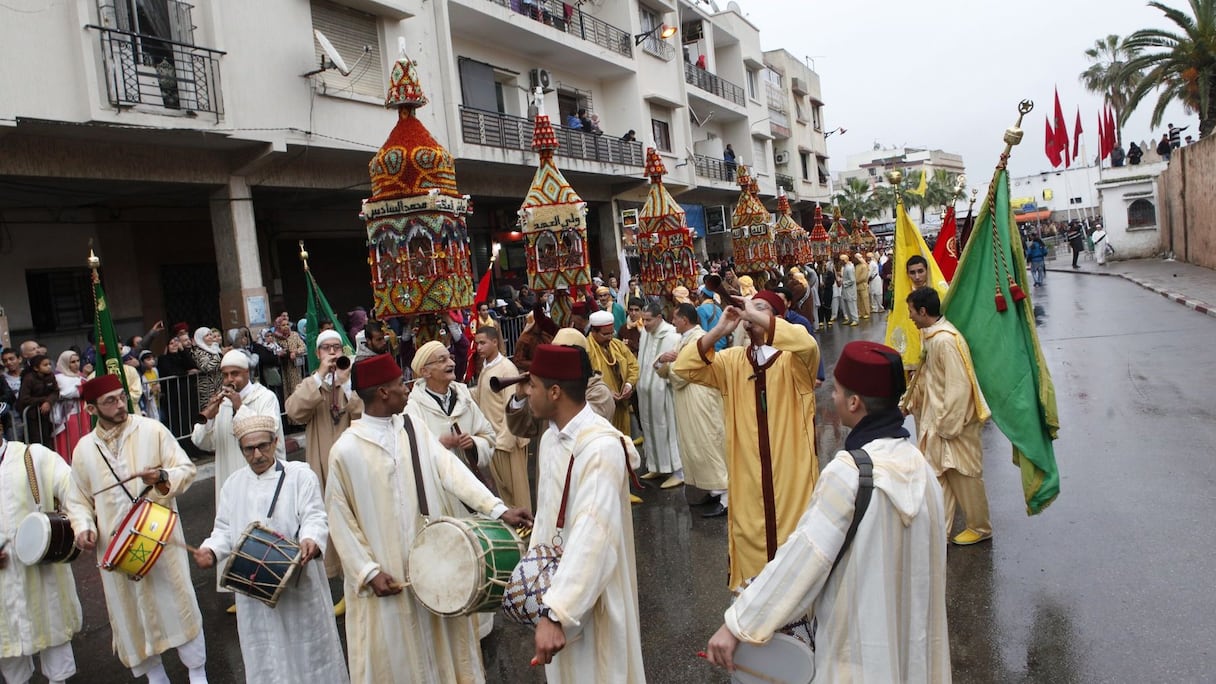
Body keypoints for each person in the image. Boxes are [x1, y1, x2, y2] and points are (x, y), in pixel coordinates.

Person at [705, 340, 950, 682]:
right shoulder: (921, 467)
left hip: (858, 654)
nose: (832, 399)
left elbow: (804, 561)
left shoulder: (847, 473)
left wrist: (739, 623)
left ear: (854, 402)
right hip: (911, 649)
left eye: (836, 391)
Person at [325, 353, 532, 684]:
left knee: (442, 654)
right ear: (381, 392)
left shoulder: (411, 427)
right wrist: (368, 572)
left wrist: (498, 509)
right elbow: (340, 520)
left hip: (434, 568)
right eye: (397, 384)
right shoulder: (346, 451)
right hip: (386, 579)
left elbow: (451, 472)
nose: (406, 389)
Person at [65, 374, 207, 684]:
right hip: (115, 551)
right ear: (91, 410)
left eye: (121, 397)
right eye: (110, 401)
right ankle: (156, 679)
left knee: (178, 606)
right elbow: (77, 500)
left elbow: (186, 469)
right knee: (131, 619)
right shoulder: (83, 449)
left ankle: (198, 675)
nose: (120, 405)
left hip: (160, 540)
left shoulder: (151, 429)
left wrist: (161, 476)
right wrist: (83, 526)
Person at [674, 292, 821, 590]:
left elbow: (807, 343)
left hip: (792, 480)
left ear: (776, 318)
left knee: (796, 563)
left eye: (760, 308)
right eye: (747, 309)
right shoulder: (731, 362)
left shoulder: (796, 363)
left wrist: (753, 313)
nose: (749, 313)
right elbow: (683, 367)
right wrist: (720, 330)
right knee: (754, 574)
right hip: (748, 482)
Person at [193, 415, 348, 684]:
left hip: (300, 586)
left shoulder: (300, 476)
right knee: (266, 658)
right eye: (248, 449)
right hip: (255, 593)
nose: (256, 455)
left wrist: (311, 539)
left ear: (276, 441)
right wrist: (210, 551)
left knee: (310, 655)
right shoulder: (233, 485)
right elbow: (223, 531)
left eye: (263, 446)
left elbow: (314, 515)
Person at [523, 344, 645, 682]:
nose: (527, 392)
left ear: (555, 392)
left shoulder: (601, 448)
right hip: (560, 593)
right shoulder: (551, 439)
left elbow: (594, 536)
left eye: (532, 385)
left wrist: (557, 612)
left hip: (594, 597)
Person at [901, 287, 993, 545]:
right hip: (938, 421)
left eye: (911, 312)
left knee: (964, 477)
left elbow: (958, 386)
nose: (909, 317)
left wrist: (947, 426)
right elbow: (926, 378)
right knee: (938, 478)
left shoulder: (945, 340)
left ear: (922, 311)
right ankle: (938, 533)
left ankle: (980, 527)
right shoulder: (930, 337)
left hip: (954, 424)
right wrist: (909, 402)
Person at [0, 432, 83, 684]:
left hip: (44, 579)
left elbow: (74, 490)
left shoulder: (32, 457)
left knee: (57, 656)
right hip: (3, 592)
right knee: (11, 663)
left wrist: (84, 524)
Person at [284, 329, 363, 592]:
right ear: (317, 353)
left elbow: (362, 413)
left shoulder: (351, 381)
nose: (332, 352)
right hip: (321, 462)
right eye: (326, 348)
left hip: (351, 464)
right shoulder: (310, 383)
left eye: (337, 347)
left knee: (356, 518)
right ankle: (340, 581)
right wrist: (321, 376)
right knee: (329, 520)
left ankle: (358, 578)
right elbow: (294, 411)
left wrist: (345, 382)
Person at [192, 350, 286, 531]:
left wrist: (239, 407)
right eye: (225, 374)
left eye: (234, 373)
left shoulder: (265, 398)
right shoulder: (222, 403)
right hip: (231, 481)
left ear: (246, 373)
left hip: (263, 480)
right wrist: (209, 419)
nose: (229, 379)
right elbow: (202, 442)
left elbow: (268, 430)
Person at [659, 303, 729, 517]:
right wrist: (663, 362)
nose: (672, 322)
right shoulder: (684, 339)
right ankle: (712, 490)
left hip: (701, 399)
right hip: (689, 400)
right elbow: (671, 371)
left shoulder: (698, 338)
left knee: (709, 444)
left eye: (675, 318)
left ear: (685, 320)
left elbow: (681, 375)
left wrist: (665, 364)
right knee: (696, 445)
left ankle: (727, 497)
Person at [405, 340, 497, 495]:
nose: (452, 363)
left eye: (450, 357)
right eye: (442, 360)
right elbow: (408, 454)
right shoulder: (413, 409)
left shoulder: (465, 399)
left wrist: (473, 444)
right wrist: (438, 445)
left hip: (473, 488)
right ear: (425, 371)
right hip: (440, 493)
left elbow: (488, 436)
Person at [471, 327, 531, 510]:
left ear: (495, 342)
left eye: (483, 343)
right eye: (477, 343)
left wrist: (505, 441)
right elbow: (483, 395)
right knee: (503, 493)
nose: (478, 348)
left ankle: (526, 530)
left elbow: (513, 405)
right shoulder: (486, 367)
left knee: (517, 493)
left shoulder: (506, 369)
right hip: (494, 440)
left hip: (507, 441)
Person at [635, 302, 683, 488]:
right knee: (650, 429)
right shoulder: (645, 333)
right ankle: (658, 466)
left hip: (665, 392)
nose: (645, 324)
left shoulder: (672, 336)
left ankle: (679, 472)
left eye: (648, 320)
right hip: (647, 393)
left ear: (659, 318)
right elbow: (642, 359)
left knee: (669, 429)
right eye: (643, 319)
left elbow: (675, 365)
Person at [585, 310, 639, 437]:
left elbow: (633, 365)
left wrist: (629, 385)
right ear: (593, 331)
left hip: (621, 408)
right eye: (605, 334)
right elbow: (583, 380)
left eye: (611, 333)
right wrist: (606, 393)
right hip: (600, 410)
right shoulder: (585, 350)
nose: (610, 337)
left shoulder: (617, 345)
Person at [52, 350, 88, 460]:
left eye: (78, 361)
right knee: (71, 442)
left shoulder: (80, 376)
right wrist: (82, 388)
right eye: (72, 362)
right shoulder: (59, 378)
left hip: (82, 411)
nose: (76, 364)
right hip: (68, 415)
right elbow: (65, 393)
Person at [18, 354, 57, 448]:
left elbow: (55, 391)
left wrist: (48, 402)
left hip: (45, 415)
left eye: (49, 364)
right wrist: (42, 400)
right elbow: (24, 398)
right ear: (36, 368)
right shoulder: (29, 379)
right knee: (36, 442)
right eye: (45, 365)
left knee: (47, 439)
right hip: (32, 416)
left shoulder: (51, 376)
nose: (49, 367)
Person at [272, 316, 307, 399]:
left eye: (287, 324)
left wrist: (295, 352)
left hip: (294, 368)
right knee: (285, 391)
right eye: (283, 325)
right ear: (278, 326)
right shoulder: (275, 338)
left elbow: (303, 347)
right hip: (282, 368)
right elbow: (274, 349)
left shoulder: (294, 335)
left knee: (296, 388)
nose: (286, 326)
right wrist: (281, 353)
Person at [191, 327, 223, 410]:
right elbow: (206, 367)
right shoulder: (199, 352)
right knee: (208, 409)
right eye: (207, 335)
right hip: (207, 388)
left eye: (210, 334)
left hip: (218, 385)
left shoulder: (215, 348)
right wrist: (216, 357)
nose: (210, 337)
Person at [839, 253, 859, 326]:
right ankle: (850, 319)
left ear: (844, 260)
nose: (840, 262)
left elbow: (852, 280)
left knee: (852, 305)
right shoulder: (845, 267)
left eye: (841, 260)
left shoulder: (849, 268)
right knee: (847, 305)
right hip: (846, 290)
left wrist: (843, 283)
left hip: (850, 290)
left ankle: (855, 319)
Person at [817, 261, 835, 330]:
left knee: (828, 305)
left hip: (827, 291)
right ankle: (821, 320)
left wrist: (825, 284)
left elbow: (832, 282)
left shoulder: (830, 273)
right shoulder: (818, 274)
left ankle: (828, 319)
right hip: (820, 292)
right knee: (820, 306)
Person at [854, 253, 871, 319]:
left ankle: (867, 312)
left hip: (863, 285)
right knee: (859, 301)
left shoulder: (864, 266)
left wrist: (856, 281)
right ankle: (861, 313)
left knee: (865, 300)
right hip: (857, 286)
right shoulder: (857, 266)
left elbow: (863, 277)